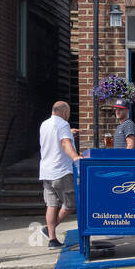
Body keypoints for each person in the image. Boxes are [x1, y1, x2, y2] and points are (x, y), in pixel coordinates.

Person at [38, 101, 82, 248]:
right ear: (64, 112)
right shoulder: (63, 124)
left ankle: (52, 239)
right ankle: (49, 229)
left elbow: (55, 139)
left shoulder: (44, 124)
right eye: (68, 112)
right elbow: (64, 143)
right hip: (61, 171)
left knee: (51, 205)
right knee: (70, 204)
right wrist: (75, 157)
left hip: (46, 171)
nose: (68, 116)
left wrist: (70, 133)